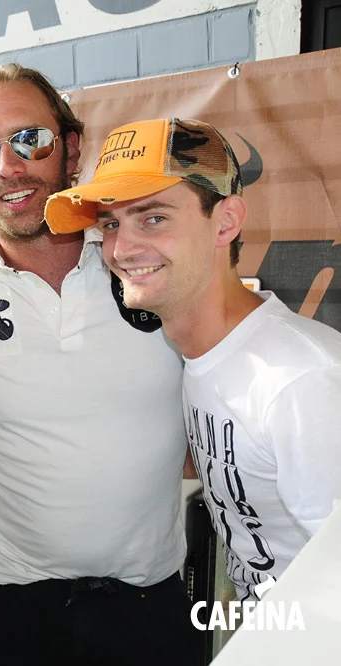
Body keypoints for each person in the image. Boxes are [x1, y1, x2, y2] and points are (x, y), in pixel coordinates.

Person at [0, 65, 200, 665]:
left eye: (30, 140)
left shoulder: (148, 268)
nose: (8, 166)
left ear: (73, 149)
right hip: (2, 609)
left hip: (146, 604)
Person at [44, 117, 341, 602]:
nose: (121, 249)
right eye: (111, 224)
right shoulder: (203, 353)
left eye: (153, 218)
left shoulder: (302, 381)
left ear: (226, 221)